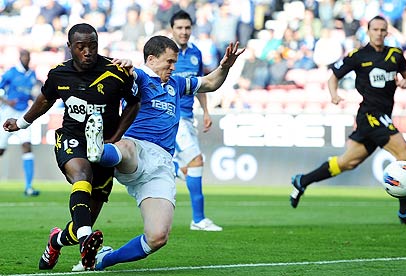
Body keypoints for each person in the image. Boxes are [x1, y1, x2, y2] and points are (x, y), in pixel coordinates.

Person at [83, 35, 244, 271]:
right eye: (168, 62)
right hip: (137, 149)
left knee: (158, 237)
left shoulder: (176, 84)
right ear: (151, 59)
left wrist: (224, 67)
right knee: (126, 148)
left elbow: (210, 83)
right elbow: (129, 74)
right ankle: (98, 151)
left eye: (174, 62)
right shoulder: (139, 76)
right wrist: (127, 66)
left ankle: (104, 259)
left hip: (161, 166)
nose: (172, 67)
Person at [2, 23, 140, 270]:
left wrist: (116, 137)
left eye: (93, 46)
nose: (88, 51)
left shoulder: (116, 72)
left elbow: (133, 104)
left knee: (83, 216)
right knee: (81, 173)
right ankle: (87, 238)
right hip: (72, 138)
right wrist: (22, 123)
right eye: (81, 47)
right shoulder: (59, 74)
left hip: (104, 146)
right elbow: (45, 100)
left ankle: (56, 241)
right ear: (70, 48)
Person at [289, 15, 406, 227]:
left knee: (347, 162)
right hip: (370, 114)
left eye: (383, 30)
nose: (379, 34)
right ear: (368, 31)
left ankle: (302, 181)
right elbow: (333, 76)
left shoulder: (395, 54)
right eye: (375, 30)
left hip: (383, 115)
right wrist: (334, 95)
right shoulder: (358, 56)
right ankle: (405, 211)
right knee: (404, 153)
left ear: (387, 32)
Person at [169, 10, 222, 231]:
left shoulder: (196, 54)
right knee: (197, 160)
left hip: (189, 117)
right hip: (172, 117)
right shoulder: (163, 52)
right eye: (179, 28)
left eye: (187, 28)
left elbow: (201, 85)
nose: (184, 32)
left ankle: (168, 168)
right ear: (172, 29)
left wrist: (206, 111)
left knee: (190, 167)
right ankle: (198, 220)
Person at [0, 49, 40, 196]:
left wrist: (34, 96)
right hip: (8, 113)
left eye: (28, 57)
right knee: (1, 150)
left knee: (27, 146)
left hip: (23, 114)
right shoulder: (11, 72)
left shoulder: (32, 75)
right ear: (20, 57)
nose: (27, 60)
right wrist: (6, 101)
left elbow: (32, 93)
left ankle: (28, 187)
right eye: (24, 57)